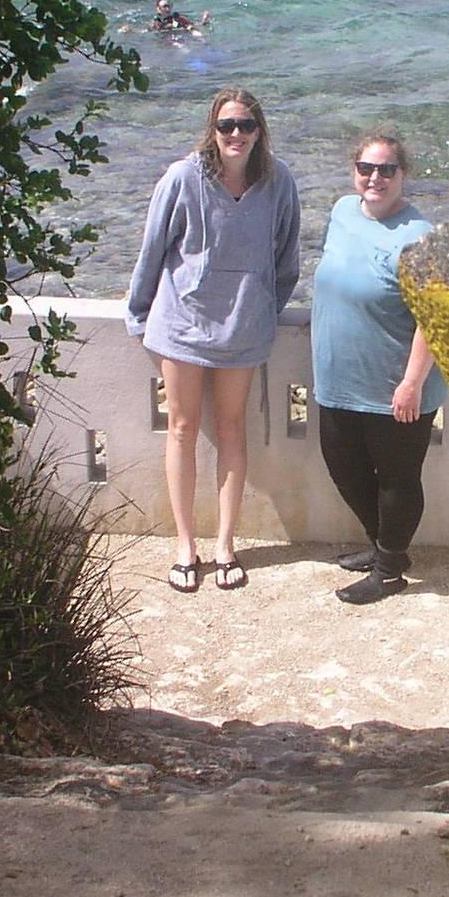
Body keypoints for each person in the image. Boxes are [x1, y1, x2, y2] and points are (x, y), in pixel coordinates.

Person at [124, 87, 302, 592]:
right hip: (182, 326)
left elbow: (287, 258)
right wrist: (138, 315)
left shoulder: (279, 181)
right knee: (182, 428)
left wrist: (263, 309)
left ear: (260, 131)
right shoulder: (183, 178)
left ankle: (225, 544)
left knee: (231, 429)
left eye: (246, 125)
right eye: (227, 125)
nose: (236, 134)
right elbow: (153, 250)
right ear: (213, 130)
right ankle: (185, 546)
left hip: (243, 330)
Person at [311, 132, 445, 604]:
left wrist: (412, 382)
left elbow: (433, 316)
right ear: (354, 171)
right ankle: (385, 548)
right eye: (366, 168)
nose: (375, 178)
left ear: (403, 175)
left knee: (396, 479)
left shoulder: (420, 236)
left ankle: (388, 571)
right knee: (343, 467)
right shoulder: (342, 212)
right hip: (337, 378)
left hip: (395, 386)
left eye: (386, 169)